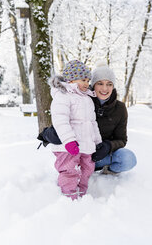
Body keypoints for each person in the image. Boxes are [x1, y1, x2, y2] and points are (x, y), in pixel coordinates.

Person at [49, 60, 102, 200]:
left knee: (87, 169)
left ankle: (82, 193)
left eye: (88, 80)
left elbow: (92, 122)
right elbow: (60, 120)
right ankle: (69, 195)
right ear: (71, 79)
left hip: (86, 145)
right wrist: (69, 141)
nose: (87, 83)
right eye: (83, 80)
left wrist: (97, 142)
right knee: (69, 170)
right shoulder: (63, 96)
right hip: (68, 146)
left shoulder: (87, 98)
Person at [90, 64, 137, 175]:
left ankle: (107, 170)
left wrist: (108, 146)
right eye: (100, 83)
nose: (105, 88)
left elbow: (121, 140)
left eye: (109, 84)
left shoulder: (120, 108)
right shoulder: (83, 102)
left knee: (128, 158)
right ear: (93, 85)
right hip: (83, 154)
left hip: (104, 155)